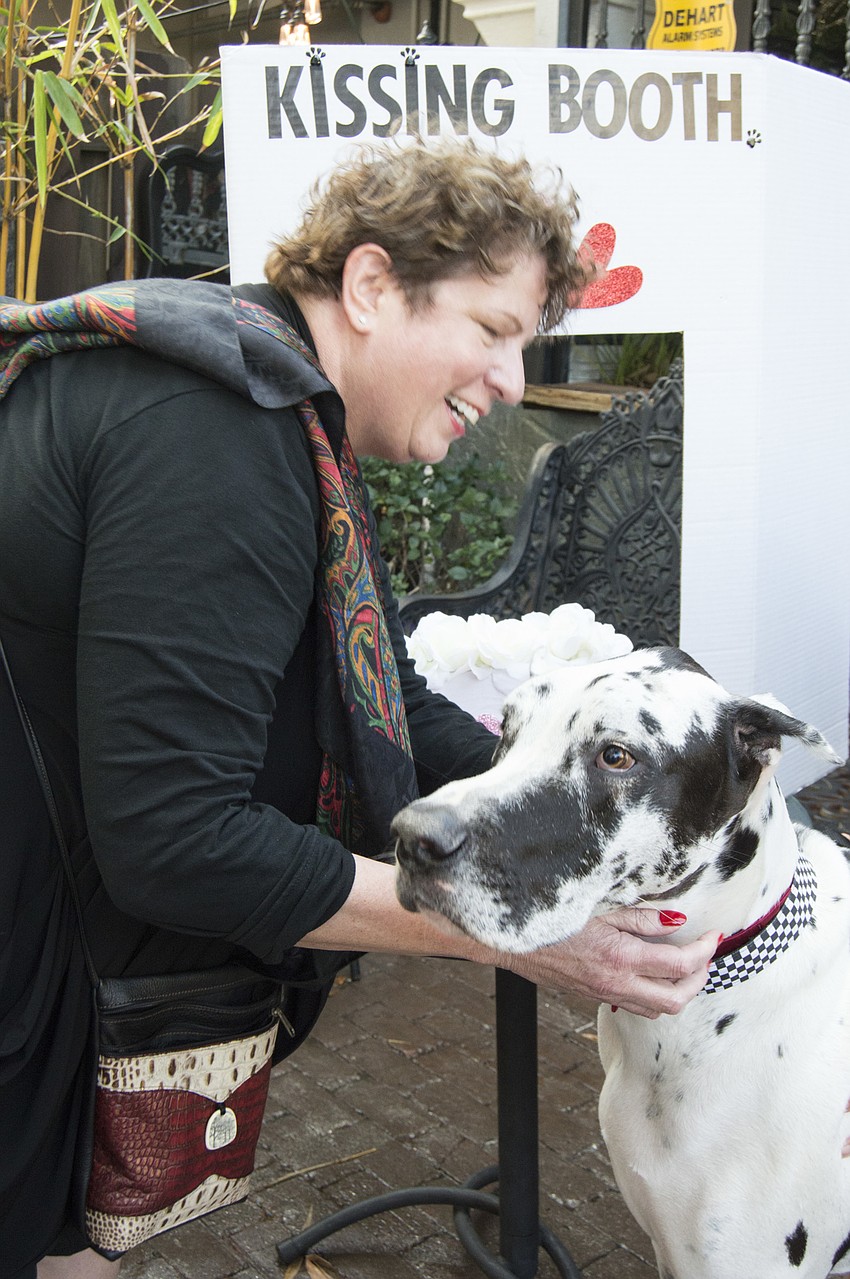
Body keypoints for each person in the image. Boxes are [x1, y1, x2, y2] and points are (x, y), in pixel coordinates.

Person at [0, 139, 719, 1279]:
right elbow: (175, 843)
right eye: (491, 330)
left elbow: (379, 697)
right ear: (373, 285)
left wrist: (561, 794)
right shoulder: (212, 432)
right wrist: (513, 924)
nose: (514, 382)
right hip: (36, 990)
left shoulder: (272, 408)